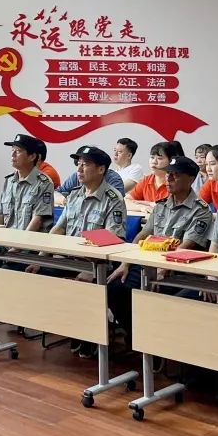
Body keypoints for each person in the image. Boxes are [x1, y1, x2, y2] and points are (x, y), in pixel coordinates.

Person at [108, 156, 211, 345]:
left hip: (176, 270)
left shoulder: (200, 210)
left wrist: (162, 269)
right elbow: (142, 235)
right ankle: (136, 335)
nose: (168, 179)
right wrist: (126, 263)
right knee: (115, 287)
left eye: (175, 175)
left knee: (158, 297)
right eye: (168, 174)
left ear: (190, 179)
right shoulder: (161, 205)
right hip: (148, 265)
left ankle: (156, 342)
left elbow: (186, 246)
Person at [49, 146, 127, 356]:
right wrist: (41, 257)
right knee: (37, 273)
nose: (79, 169)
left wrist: (89, 269)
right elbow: (59, 228)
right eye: (78, 164)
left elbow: (114, 240)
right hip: (67, 259)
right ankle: (70, 329)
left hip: (96, 264)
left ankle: (88, 335)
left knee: (88, 285)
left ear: (101, 169)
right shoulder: (74, 195)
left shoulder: (113, 198)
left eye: (85, 164)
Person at [0, 134, 55, 232]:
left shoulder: (44, 183)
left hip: (29, 240)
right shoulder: (9, 181)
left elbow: (37, 220)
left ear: (32, 157)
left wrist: (19, 242)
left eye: (18, 151)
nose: (13, 154)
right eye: (12, 150)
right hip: (6, 239)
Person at [127, 141, 184, 206]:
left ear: (171, 161)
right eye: (152, 157)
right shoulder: (147, 180)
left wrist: (148, 203)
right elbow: (127, 200)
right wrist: (141, 208)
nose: (154, 162)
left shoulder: (177, 182)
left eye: (160, 158)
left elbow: (169, 206)